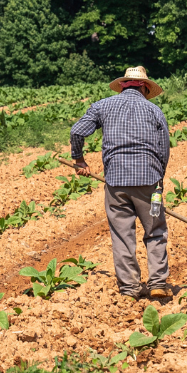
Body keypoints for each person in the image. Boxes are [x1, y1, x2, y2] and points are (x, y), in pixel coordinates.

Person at [70, 66, 170, 299]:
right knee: (155, 231)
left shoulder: (102, 106)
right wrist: (159, 180)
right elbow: (164, 148)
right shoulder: (154, 110)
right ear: (145, 88)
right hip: (149, 180)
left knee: (122, 234)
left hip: (116, 181)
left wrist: (79, 160)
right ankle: (157, 283)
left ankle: (129, 288)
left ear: (123, 85)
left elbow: (77, 132)